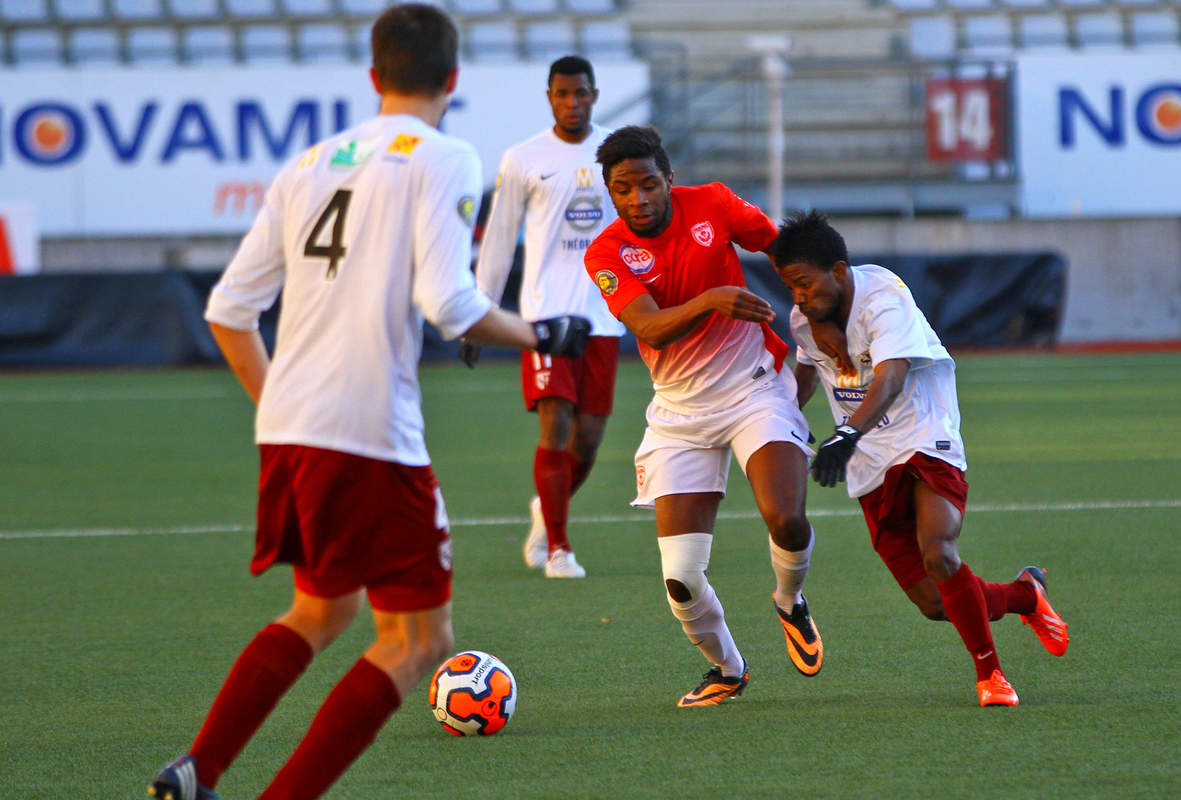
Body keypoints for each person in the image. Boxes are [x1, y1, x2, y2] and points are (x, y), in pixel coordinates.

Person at [147, 6, 590, 799]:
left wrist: (275, 403)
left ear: (373, 76)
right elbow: (448, 303)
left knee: (321, 611)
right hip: (370, 434)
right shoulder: (445, 156)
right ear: (453, 80)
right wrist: (542, 332)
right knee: (418, 639)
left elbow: (227, 311)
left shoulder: (309, 162)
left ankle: (198, 769)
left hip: (291, 428)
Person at [773, 210, 1070, 708]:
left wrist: (845, 432)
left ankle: (991, 677)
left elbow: (890, 375)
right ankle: (1025, 595)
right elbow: (804, 375)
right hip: (870, 462)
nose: (799, 298)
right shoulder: (804, 320)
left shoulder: (884, 297)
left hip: (923, 437)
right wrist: (774, 423)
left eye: (805, 284)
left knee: (939, 552)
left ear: (839, 271)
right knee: (935, 602)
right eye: (791, 288)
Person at [584, 125, 823, 707]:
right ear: (610, 193)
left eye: (647, 184)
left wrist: (817, 304)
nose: (637, 199)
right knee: (681, 579)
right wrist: (713, 299)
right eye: (622, 189)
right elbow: (647, 326)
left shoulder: (713, 203)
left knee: (785, 518)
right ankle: (728, 670)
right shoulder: (607, 251)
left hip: (754, 390)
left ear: (669, 180)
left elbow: (780, 246)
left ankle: (789, 600)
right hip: (678, 414)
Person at [466, 55, 624, 579]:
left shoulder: (616, 156)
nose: (573, 102)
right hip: (546, 318)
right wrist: (480, 308)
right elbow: (498, 237)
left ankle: (545, 508)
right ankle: (559, 547)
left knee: (591, 439)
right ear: (550, 96)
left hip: (604, 314)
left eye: (581, 93)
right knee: (555, 424)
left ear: (594, 95)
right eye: (563, 94)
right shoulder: (522, 158)